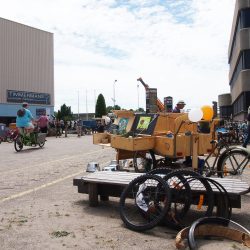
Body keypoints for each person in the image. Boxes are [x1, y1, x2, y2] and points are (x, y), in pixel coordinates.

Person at [172, 100, 191, 166]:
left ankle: (188, 159)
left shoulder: (177, 110)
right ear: (178, 105)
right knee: (187, 143)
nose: (183, 106)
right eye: (182, 105)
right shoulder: (175, 112)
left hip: (180, 130)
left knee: (187, 143)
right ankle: (188, 160)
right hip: (179, 130)